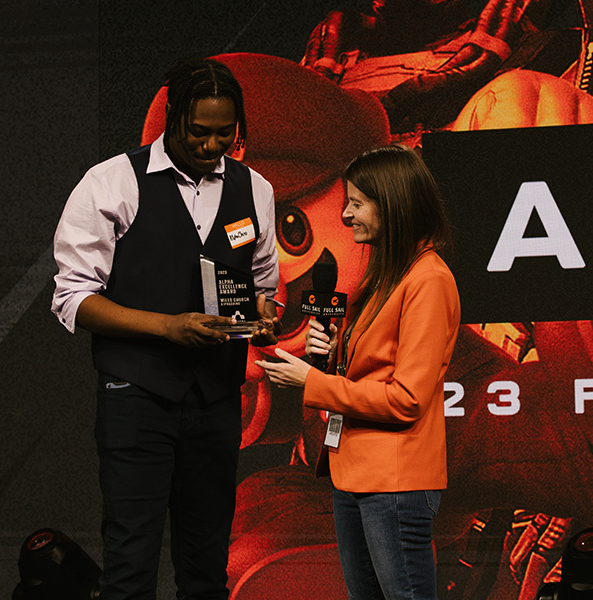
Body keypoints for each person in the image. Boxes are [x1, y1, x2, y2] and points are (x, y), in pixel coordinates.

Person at [51, 57, 280, 600]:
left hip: (218, 399)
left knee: (206, 568)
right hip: (137, 396)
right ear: (172, 119)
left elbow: (264, 285)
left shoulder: (257, 190)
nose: (211, 145)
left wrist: (265, 318)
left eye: (226, 134)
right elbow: (72, 298)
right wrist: (166, 327)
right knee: (131, 564)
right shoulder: (111, 182)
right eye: (199, 132)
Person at [256, 144, 459, 600]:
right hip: (353, 474)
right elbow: (369, 372)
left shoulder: (428, 280)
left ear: (392, 204)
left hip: (395, 481)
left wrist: (313, 383)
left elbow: (407, 399)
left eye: (356, 203)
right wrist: (325, 356)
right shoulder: (384, 276)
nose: (346, 216)